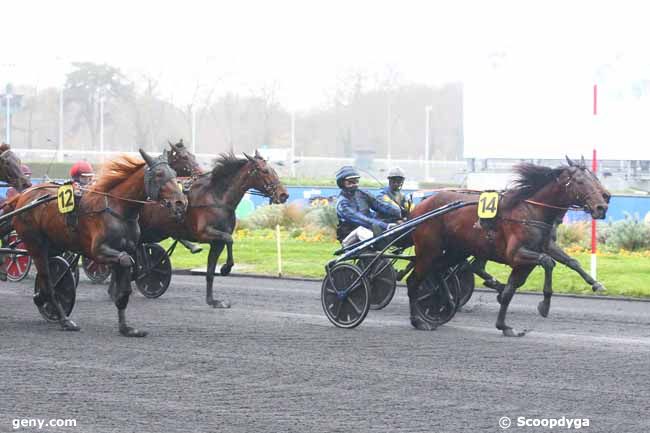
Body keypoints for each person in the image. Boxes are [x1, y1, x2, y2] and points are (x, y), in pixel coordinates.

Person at [335, 166, 401, 247]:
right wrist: (386, 226)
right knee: (360, 230)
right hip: (349, 236)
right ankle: (377, 244)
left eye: (356, 182)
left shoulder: (363, 193)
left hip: (369, 230)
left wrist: (397, 211)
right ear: (342, 183)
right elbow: (360, 219)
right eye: (350, 182)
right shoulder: (342, 203)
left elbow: (379, 204)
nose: (354, 185)